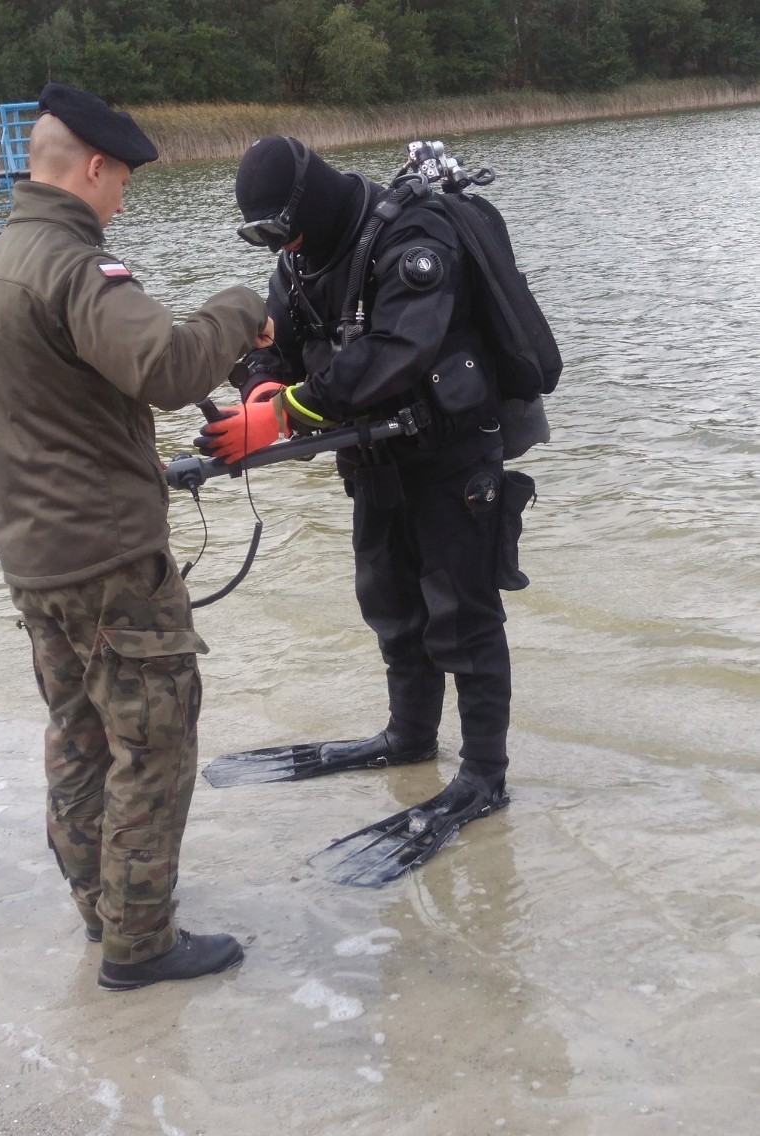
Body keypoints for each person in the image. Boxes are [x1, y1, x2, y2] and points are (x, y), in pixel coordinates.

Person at [0, 84, 273, 988]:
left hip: (33, 560)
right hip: (110, 563)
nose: (123, 198)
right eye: (122, 180)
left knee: (78, 738)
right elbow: (166, 368)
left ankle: (100, 911)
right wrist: (243, 307)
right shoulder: (76, 269)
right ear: (92, 167)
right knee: (153, 747)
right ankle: (141, 944)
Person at [198, 135, 549, 883]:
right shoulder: (300, 259)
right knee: (390, 600)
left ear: (309, 206)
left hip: (455, 454)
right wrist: (263, 386)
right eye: (265, 237)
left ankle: (485, 774)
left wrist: (288, 410)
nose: (279, 245)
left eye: (280, 229)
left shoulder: (413, 236)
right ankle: (410, 737)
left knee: (463, 615)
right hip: (376, 457)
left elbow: (401, 347)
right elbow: (278, 343)